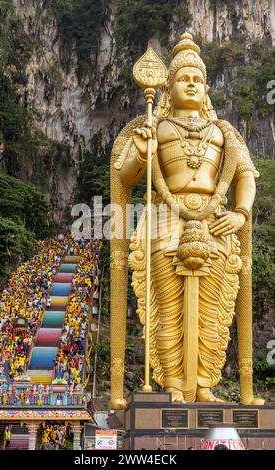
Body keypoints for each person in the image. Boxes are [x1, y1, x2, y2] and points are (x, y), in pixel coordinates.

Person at [110, 33, 262, 407]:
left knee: (212, 311)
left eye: (197, 79)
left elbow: (245, 177)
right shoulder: (154, 127)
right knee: (169, 307)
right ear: (168, 87)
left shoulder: (224, 132)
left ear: (206, 87)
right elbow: (124, 177)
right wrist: (143, 153)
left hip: (215, 222)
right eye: (183, 78)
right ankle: (174, 387)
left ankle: (205, 386)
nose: (191, 84)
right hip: (166, 218)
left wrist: (240, 213)